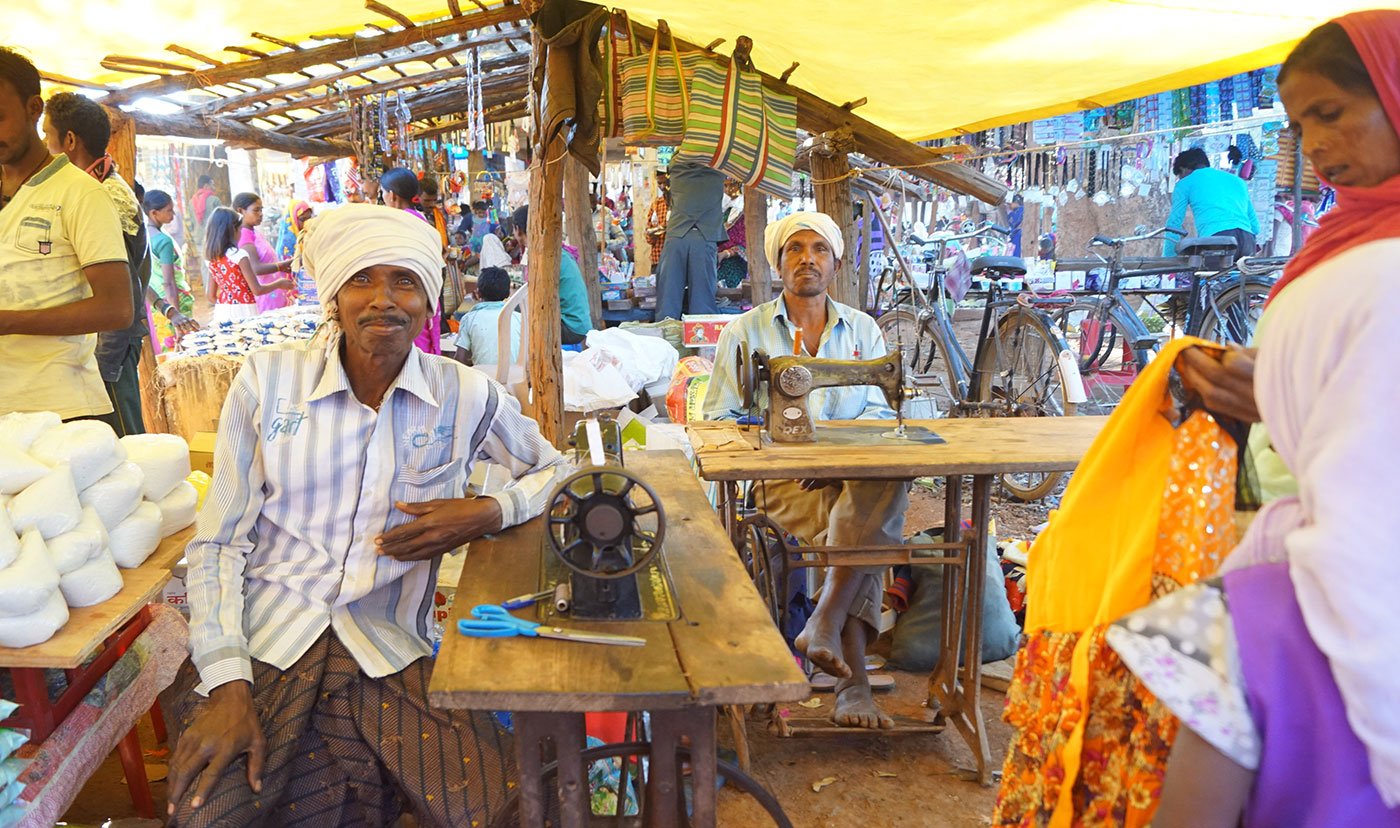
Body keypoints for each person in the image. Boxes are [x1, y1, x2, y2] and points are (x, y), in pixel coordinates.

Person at [163, 203, 563, 827]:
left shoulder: (464, 395)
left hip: (387, 643)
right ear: (335, 298)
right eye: (361, 280)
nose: (383, 300)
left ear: (431, 303)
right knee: (210, 810)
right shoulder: (269, 383)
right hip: (270, 638)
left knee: (507, 807)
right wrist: (226, 682)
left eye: (404, 282)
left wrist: (488, 511)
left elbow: (558, 471)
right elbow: (217, 543)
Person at [1119, 13, 1400, 825]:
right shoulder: (1345, 237)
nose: (1313, 143)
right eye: (1299, 124)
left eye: (1334, 112)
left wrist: (1272, 397)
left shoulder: (1254, 624)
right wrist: (1275, 398)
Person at [702, 211, 905, 729]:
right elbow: (718, 418)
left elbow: (884, 416)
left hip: (853, 477)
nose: (807, 259)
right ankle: (851, 680)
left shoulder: (863, 330)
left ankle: (823, 622)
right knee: (870, 520)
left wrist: (837, 463)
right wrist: (783, 455)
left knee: (878, 488)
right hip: (780, 482)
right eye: (794, 249)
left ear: (834, 264)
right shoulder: (746, 333)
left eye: (818, 249)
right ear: (777, 263)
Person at [0, 47, 133, 424]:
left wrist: (7, 322)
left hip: (64, 413)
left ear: (33, 109)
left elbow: (117, 308)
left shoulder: (81, 194)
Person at [43, 90, 153, 435]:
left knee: (121, 441)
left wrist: (104, 366)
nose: (44, 145)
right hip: (102, 345)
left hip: (111, 346)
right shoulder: (96, 188)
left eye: (47, 134)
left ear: (70, 140)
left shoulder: (105, 196)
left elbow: (123, 290)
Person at [378, 168, 444, 355]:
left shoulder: (395, 223)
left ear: (391, 195)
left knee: (411, 354)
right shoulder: (422, 221)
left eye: (382, 193)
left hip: (404, 295)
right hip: (425, 293)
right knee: (425, 351)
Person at [512, 204, 595, 345]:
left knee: (514, 316)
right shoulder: (552, 250)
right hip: (578, 324)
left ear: (517, 229)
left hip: (570, 327)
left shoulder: (544, 255)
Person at [655, 160, 726, 320]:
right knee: (703, 306)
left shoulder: (676, 167)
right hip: (704, 236)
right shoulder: (719, 165)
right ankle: (700, 342)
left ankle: (666, 338)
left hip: (677, 235)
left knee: (668, 300)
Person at [1162, 147, 1260, 258]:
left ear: (1183, 169)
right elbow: (1255, 227)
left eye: (1180, 176)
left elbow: (1174, 223)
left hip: (1218, 241)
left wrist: (1168, 258)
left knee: (1204, 274)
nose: (1180, 179)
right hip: (1247, 241)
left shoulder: (1184, 183)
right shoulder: (1238, 181)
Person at [204, 207, 293, 325]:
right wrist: (279, 283)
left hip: (222, 312)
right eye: (239, 229)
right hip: (245, 311)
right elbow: (257, 290)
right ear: (232, 231)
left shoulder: (212, 258)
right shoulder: (239, 255)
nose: (241, 232)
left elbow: (210, 296)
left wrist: (228, 304)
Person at [143, 190, 199, 337]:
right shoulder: (164, 240)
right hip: (173, 301)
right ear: (154, 213)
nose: (173, 215)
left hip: (157, 302)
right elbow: (169, 282)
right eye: (169, 211)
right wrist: (176, 313)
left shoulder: (144, 236)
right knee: (182, 344)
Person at [231, 192, 292, 313]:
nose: (260, 214)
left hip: (273, 294)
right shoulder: (244, 235)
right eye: (256, 210)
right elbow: (255, 268)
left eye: (261, 210)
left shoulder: (253, 232)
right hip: (264, 296)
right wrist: (281, 266)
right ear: (241, 211)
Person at [452, 266, 520, 368]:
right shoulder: (520, 318)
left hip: (483, 380)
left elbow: (460, 360)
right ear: (508, 293)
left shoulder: (469, 318)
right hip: (516, 380)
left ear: (478, 293)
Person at [645, 171, 670, 269]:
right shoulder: (656, 204)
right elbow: (648, 237)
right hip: (658, 258)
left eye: (666, 183)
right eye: (660, 183)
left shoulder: (680, 204)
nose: (663, 186)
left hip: (676, 259)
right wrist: (655, 232)